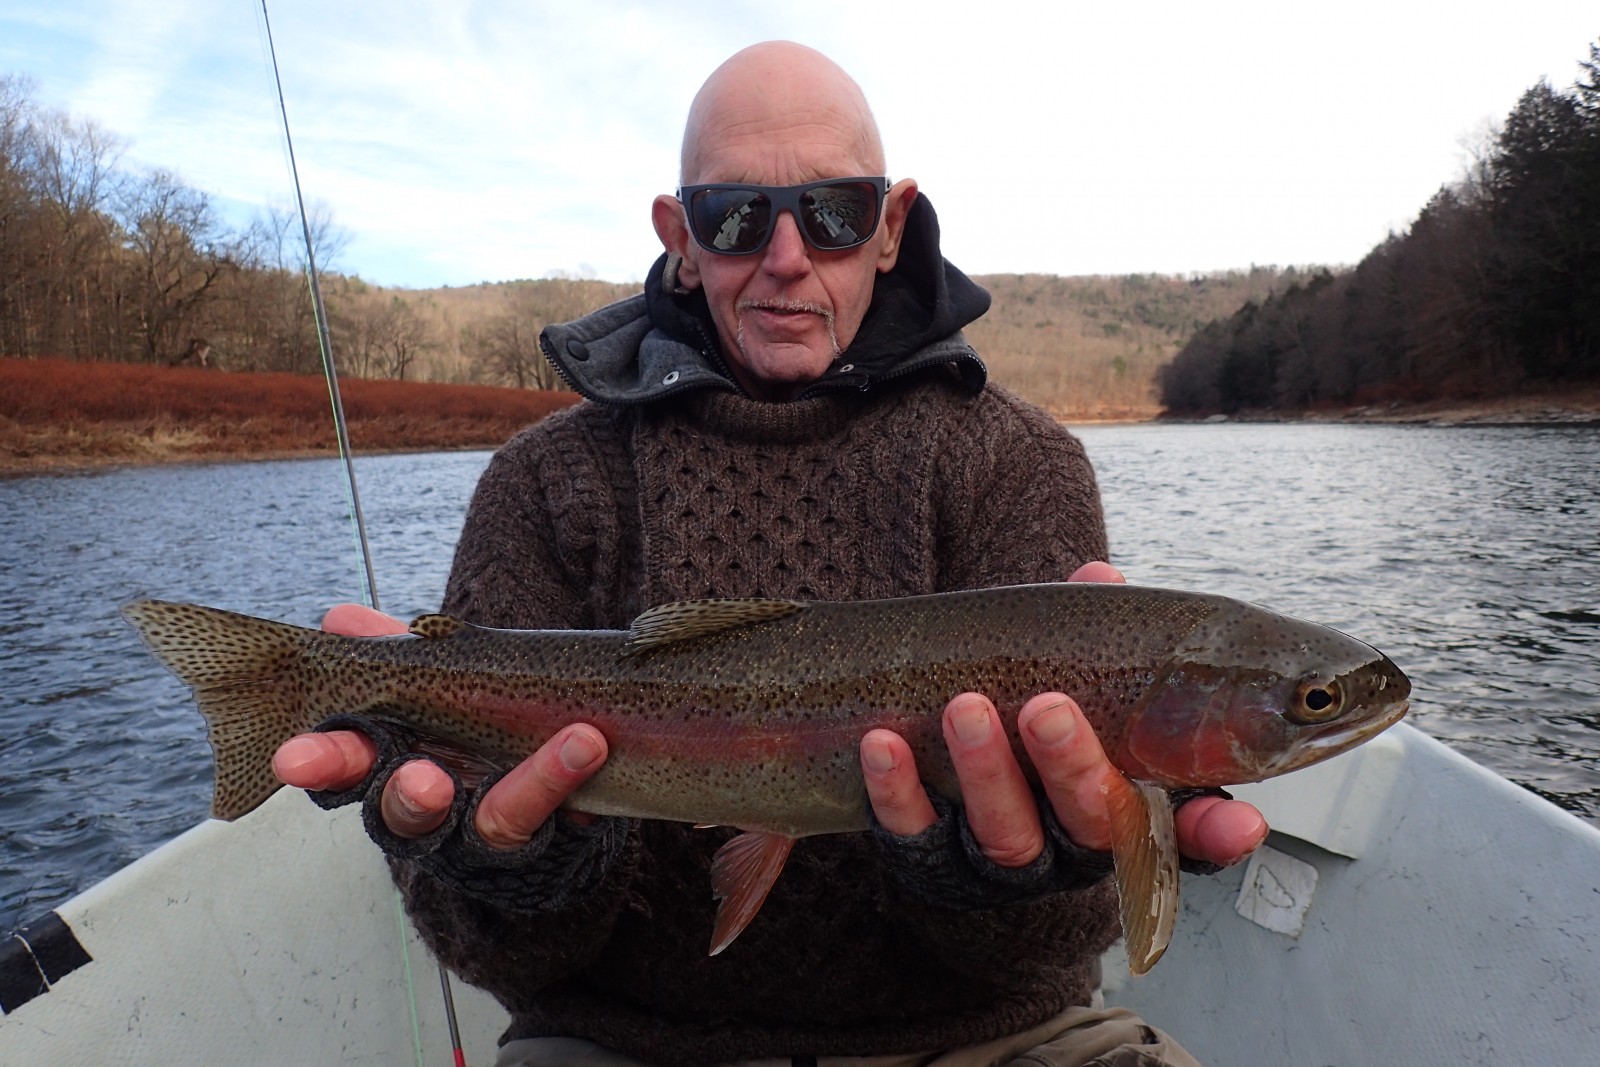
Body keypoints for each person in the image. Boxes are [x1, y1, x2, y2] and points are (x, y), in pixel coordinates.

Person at [273, 41, 1267, 1067]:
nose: (786, 255)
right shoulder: (544, 481)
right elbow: (493, 948)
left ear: (888, 228)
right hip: (622, 1040)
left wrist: (1016, 878)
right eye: (736, 217)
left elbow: (1049, 947)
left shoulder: (1014, 462)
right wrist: (520, 867)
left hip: (998, 1034)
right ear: (682, 238)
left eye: (832, 212)